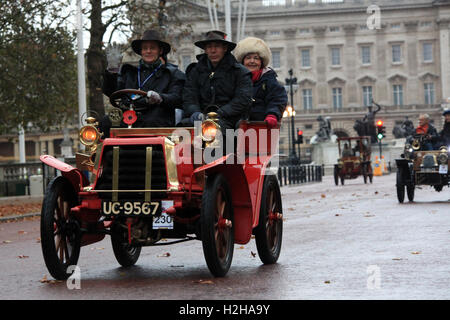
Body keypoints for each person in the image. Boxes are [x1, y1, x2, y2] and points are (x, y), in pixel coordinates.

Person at [101, 29, 185, 136]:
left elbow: (177, 98)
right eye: (145, 48)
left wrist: (161, 98)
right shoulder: (130, 73)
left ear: (160, 51)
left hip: (157, 117)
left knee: (152, 120)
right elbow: (110, 91)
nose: (148, 51)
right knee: (106, 121)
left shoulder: (172, 74)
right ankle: (109, 152)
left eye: (152, 48)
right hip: (130, 114)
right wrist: (112, 72)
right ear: (141, 52)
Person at [182, 30, 253, 131]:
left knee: (217, 132)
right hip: (200, 119)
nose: (213, 50)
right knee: (180, 132)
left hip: (229, 120)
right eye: (209, 47)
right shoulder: (195, 71)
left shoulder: (240, 72)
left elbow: (242, 99)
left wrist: (219, 114)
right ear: (205, 50)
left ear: (224, 48)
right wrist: (195, 111)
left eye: (217, 46)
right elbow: (189, 96)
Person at [233, 37, 287, 128]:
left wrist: (272, 114)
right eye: (248, 58)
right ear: (242, 61)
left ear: (261, 62)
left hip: (262, 125)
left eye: (256, 58)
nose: (252, 61)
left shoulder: (269, 79)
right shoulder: (234, 79)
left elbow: (277, 99)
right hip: (237, 125)